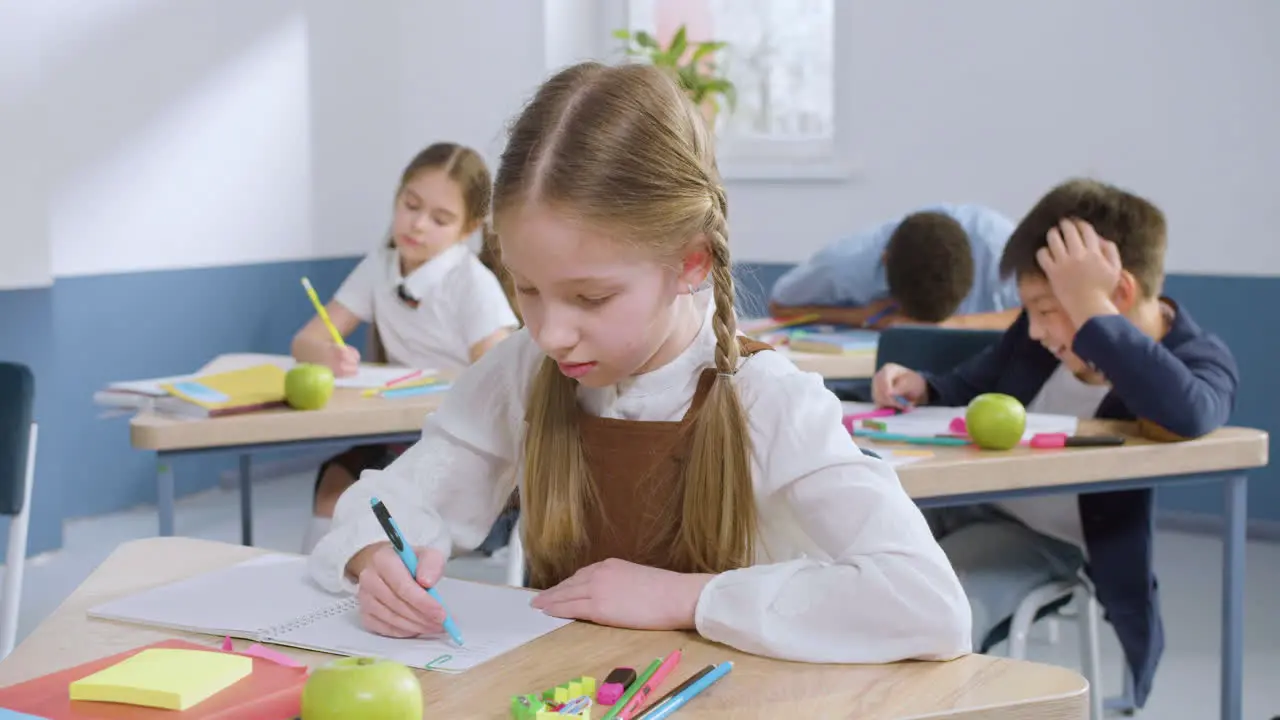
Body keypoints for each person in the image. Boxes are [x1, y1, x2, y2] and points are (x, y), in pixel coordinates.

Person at [307, 61, 971, 664]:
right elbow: (395, 499)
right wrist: (373, 554)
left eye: (591, 297)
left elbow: (928, 603)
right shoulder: (523, 370)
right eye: (527, 289)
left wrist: (687, 599)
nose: (551, 333)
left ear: (690, 263)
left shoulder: (765, 397)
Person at [870, 178, 1239, 709]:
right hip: (965, 505)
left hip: (1043, 540)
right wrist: (925, 386)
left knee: (936, 597)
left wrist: (1092, 309)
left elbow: (1189, 411)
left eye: (1051, 310)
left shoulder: (1195, 355)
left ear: (1119, 294)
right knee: (860, 559)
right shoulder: (1038, 338)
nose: (1038, 330)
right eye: (1033, 312)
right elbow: (978, 380)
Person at [292, 142, 520, 551]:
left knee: (374, 516)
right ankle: (317, 595)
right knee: (332, 492)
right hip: (396, 435)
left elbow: (500, 384)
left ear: (468, 230)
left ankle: (368, 583)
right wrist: (327, 355)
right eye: (410, 205)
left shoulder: (472, 284)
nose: (417, 225)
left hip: (454, 449)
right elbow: (306, 340)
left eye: (440, 219)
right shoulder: (380, 265)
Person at [769, 204, 1022, 329]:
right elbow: (778, 307)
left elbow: (1040, 312)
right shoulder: (843, 265)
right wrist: (858, 317)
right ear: (884, 260)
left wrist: (953, 324)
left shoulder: (1000, 248)